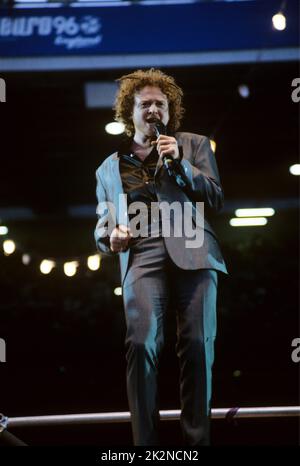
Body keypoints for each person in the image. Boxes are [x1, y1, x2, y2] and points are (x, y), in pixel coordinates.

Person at [94, 68, 227, 446]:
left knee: (199, 346)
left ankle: (196, 444)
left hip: (195, 250)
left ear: (170, 111)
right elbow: (102, 223)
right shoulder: (108, 167)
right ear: (129, 112)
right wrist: (110, 238)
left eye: (160, 104)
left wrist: (181, 163)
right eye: (144, 103)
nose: (153, 109)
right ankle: (144, 446)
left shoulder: (194, 144)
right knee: (140, 343)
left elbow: (215, 199)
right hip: (142, 252)